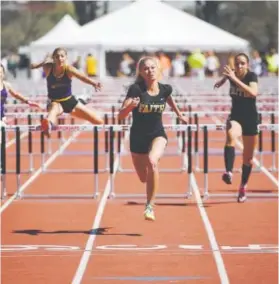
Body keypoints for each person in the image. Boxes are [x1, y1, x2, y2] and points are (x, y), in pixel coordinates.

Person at [118, 56, 187, 221]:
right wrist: (130, 107)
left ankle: (150, 206)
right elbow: (120, 116)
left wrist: (179, 114)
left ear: (158, 69)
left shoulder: (165, 89)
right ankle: (149, 195)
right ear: (141, 72)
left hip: (158, 134)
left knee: (153, 161)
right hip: (137, 138)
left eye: (153, 67)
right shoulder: (136, 89)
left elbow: (169, 99)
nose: (150, 71)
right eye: (146, 69)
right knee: (143, 177)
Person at [214, 53, 259, 203]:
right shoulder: (232, 74)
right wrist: (222, 80)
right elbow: (228, 76)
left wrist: (232, 79)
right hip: (236, 117)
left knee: (248, 158)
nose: (239, 66)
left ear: (247, 65)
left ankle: (242, 187)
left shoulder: (251, 76)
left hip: (251, 120)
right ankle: (228, 171)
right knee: (231, 134)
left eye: (242, 63)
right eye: (237, 63)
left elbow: (253, 93)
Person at [30, 48, 104, 137]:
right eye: (57, 57)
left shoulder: (69, 69)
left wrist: (94, 83)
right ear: (53, 58)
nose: (60, 58)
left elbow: (82, 77)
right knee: (54, 109)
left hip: (70, 101)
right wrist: (43, 62)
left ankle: (80, 100)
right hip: (55, 101)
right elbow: (32, 66)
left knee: (99, 121)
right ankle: (48, 124)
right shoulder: (48, 67)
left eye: (62, 56)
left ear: (66, 58)